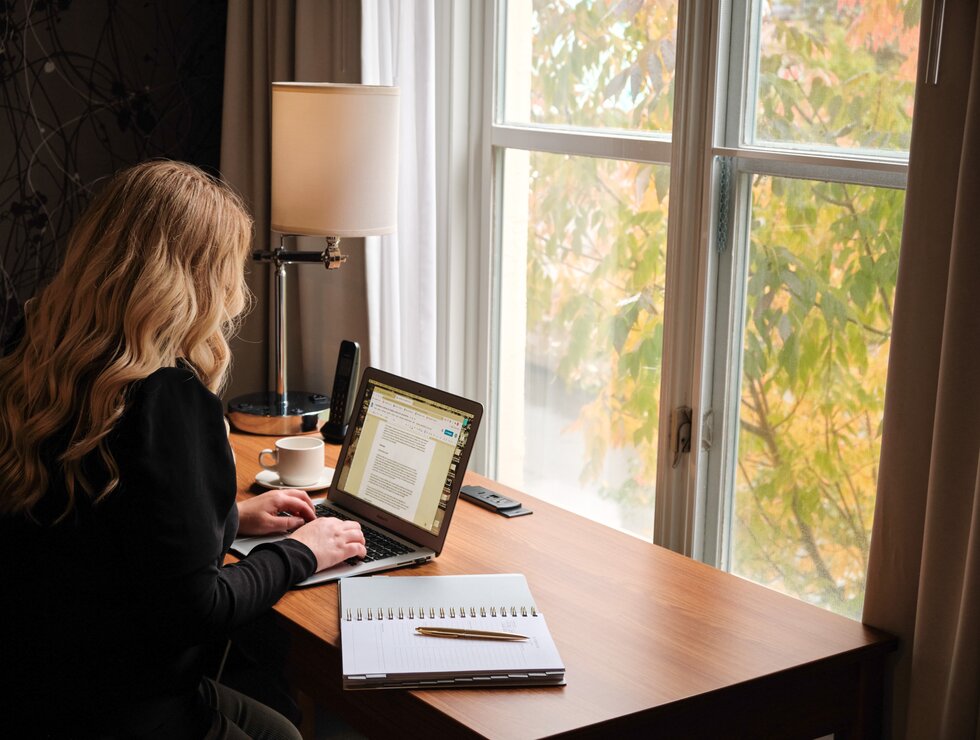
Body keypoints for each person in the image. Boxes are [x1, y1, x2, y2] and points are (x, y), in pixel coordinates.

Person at [0, 161, 366, 738]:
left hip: (40, 685)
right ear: (195, 279)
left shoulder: (40, 354)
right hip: (123, 706)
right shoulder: (165, 398)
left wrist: (229, 517)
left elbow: (105, 528)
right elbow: (198, 607)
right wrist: (304, 551)